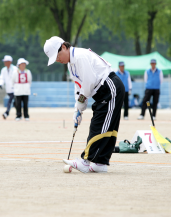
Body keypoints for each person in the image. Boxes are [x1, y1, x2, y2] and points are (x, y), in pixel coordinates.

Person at [44, 36, 125, 174]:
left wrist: (81, 105)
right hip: (101, 92)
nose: (58, 60)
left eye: (57, 56)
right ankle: (100, 162)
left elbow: (88, 83)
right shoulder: (71, 64)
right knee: (105, 125)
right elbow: (79, 87)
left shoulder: (80, 56)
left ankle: (85, 161)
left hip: (110, 87)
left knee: (99, 125)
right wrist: (78, 110)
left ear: (64, 47)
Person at [0, 55, 17, 119]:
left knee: (10, 101)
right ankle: (18, 113)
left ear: (10, 62)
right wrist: (0, 84)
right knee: (14, 102)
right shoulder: (3, 70)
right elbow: (1, 78)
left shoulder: (15, 69)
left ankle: (6, 113)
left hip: (15, 88)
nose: (4, 62)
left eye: (6, 61)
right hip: (8, 89)